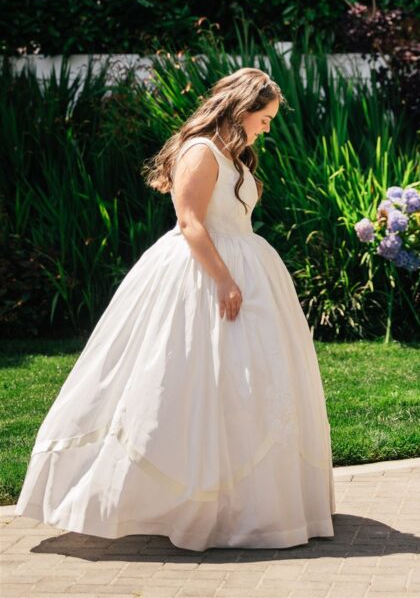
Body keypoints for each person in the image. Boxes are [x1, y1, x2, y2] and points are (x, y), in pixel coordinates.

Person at [17, 68, 335, 550]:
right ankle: (176, 499)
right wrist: (224, 280)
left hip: (248, 266)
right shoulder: (200, 150)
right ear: (241, 109)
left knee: (247, 387)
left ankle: (241, 503)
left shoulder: (235, 156)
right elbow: (189, 222)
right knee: (186, 381)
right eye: (264, 118)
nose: (267, 127)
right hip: (202, 274)